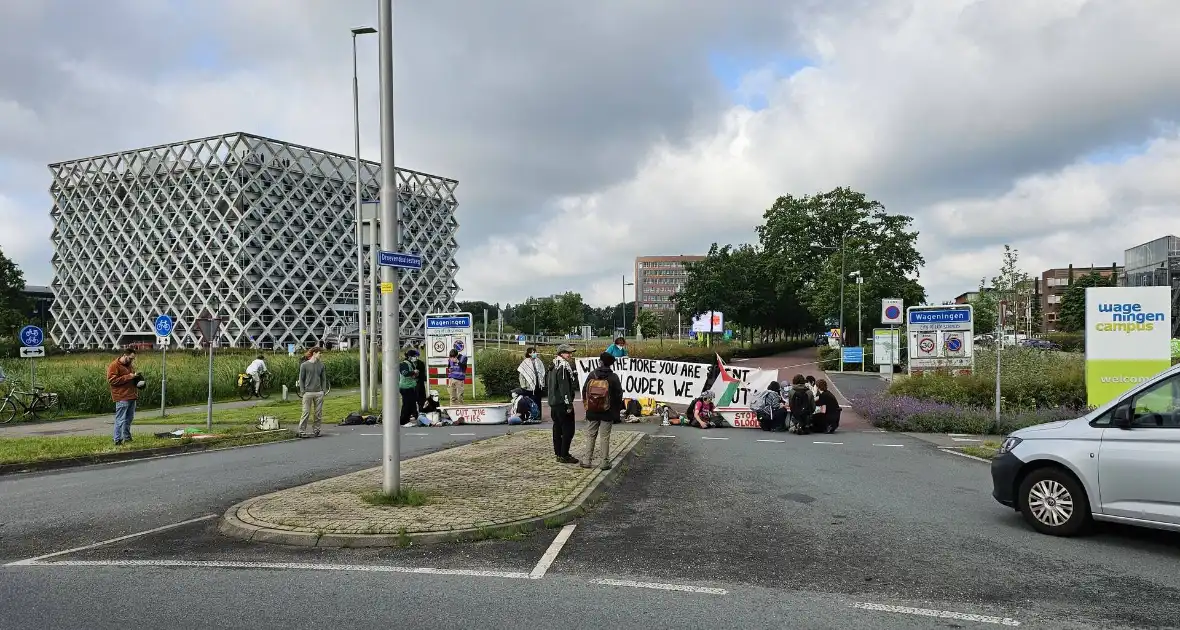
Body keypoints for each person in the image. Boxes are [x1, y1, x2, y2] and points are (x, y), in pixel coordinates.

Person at [580, 352, 624, 470]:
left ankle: (586, 460)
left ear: (600, 362)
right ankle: (604, 462)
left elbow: (584, 391)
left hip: (592, 411)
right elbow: (619, 395)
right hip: (607, 412)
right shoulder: (613, 377)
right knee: (604, 437)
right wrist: (616, 411)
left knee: (590, 435)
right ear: (610, 364)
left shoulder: (592, 374)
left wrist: (587, 406)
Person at [546, 343, 580, 464]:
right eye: (567, 353)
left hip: (553, 402)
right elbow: (564, 387)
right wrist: (569, 404)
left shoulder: (553, 365)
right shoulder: (563, 367)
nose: (570, 355)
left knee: (557, 429)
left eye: (571, 353)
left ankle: (559, 453)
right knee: (568, 430)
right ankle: (564, 454)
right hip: (562, 403)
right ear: (561, 354)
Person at [106, 348, 141, 445]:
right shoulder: (114, 365)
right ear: (125, 355)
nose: (131, 360)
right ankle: (117, 439)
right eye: (130, 358)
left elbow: (131, 377)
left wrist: (137, 380)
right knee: (120, 419)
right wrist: (129, 376)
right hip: (122, 396)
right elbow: (112, 380)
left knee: (129, 419)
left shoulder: (129, 365)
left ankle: (127, 437)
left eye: (133, 359)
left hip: (131, 395)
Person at [297, 346, 328, 437]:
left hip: (319, 392)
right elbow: (301, 379)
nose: (321, 355)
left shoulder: (321, 365)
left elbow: (323, 379)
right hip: (308, 393)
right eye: (320, 353)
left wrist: (323, 390)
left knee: (318, 413)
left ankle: (317, 430)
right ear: (314, 353)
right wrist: (303, 391)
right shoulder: (304, 365)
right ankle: (301, 431)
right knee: (306, 412)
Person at [517, 347, 546, 412]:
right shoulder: (525, 362)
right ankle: (531, 414)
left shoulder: (538, 361)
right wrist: (523, 385)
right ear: (529, 353)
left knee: (538, 400)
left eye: (535, 352)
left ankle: (538, 415)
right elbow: (522, 374)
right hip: (529, 386)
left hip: (538, 384)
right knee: (530, 400)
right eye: (533, 352)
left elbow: (542, 371)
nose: (535, 353)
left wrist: (542, 382)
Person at [400, 349, 422, 427]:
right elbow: (405, 373)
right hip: (405, 387)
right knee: (406, 405)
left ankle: (410, 418)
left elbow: (412, 375)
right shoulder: (404, 364)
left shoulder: (411, 363)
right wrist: (414, 372)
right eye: (414, 356)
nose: (415, 358)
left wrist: (415, 374)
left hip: (411, 387)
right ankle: (403, 421)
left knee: (411, 404)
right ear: (409, 356)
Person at [413, 348, 428, 414]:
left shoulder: (421, 363)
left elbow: (422, 374)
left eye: (416, 356)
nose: (415, 357)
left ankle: (422, 410)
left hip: (419, 382)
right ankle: (413, 412)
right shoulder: (408, 363)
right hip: (411, 383)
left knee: (421, 398)